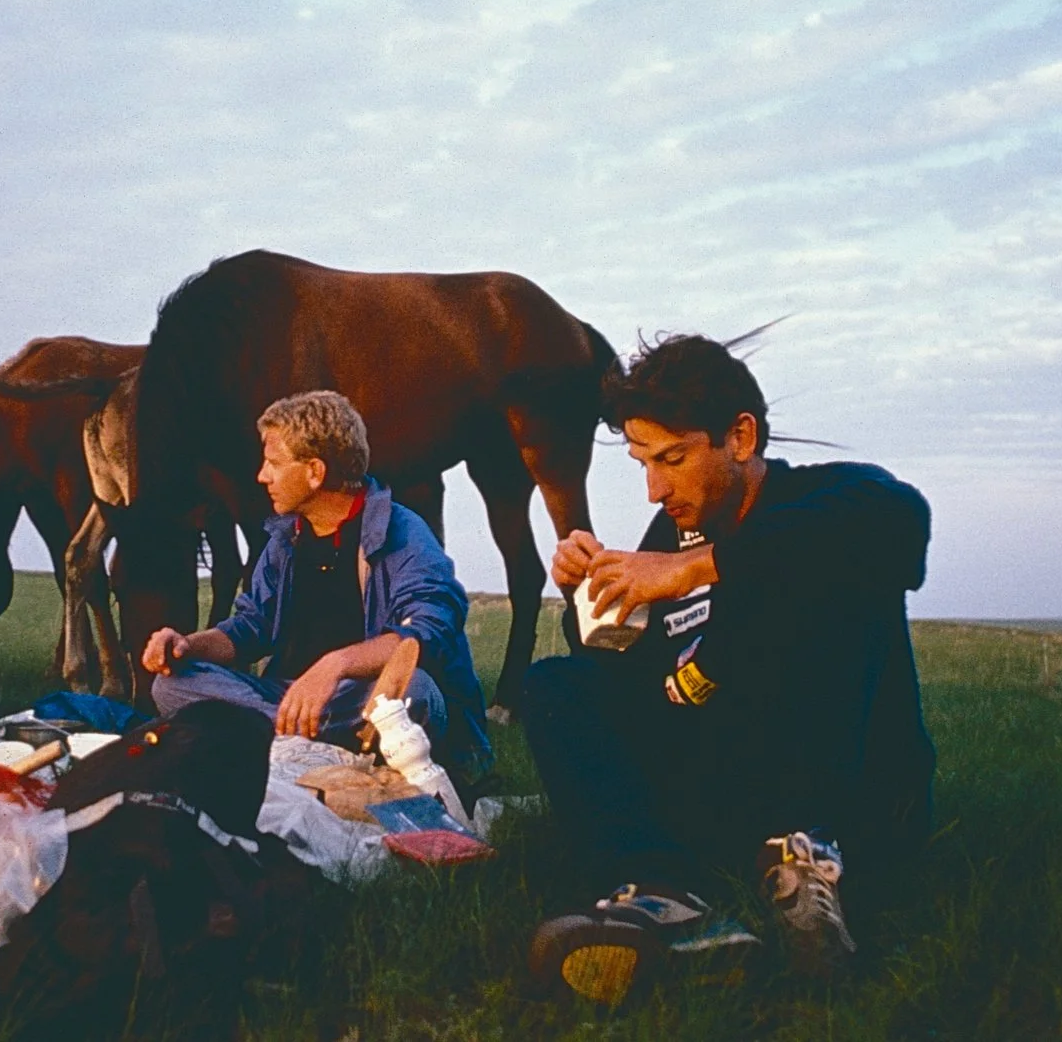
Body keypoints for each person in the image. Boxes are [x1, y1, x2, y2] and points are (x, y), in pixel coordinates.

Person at [522, 333, 935, 1004]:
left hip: (838, 785)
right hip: (722, 778)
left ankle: (807, 868)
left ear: (739, 437)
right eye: (642, 463)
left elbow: (898, 522)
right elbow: (631, 675)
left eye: (673, 458)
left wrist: (697, 568)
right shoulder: (674, 533)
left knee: (807, 581)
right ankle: (665, 897)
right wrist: (590, 599)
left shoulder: (839, 499)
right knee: (555, 685)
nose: (656, 488)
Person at [141, 391, 492, 779]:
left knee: (415, 690)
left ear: (314, 472)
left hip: (361, 701)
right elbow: (250, 628)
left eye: (274, 463)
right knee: (170, 685)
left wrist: (335, 666)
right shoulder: (284, 539)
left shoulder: (400, 532)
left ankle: (264, 743)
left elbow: (428, 632)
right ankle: (304, 748)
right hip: (292, 700)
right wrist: (188, 646)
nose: (262, 476)